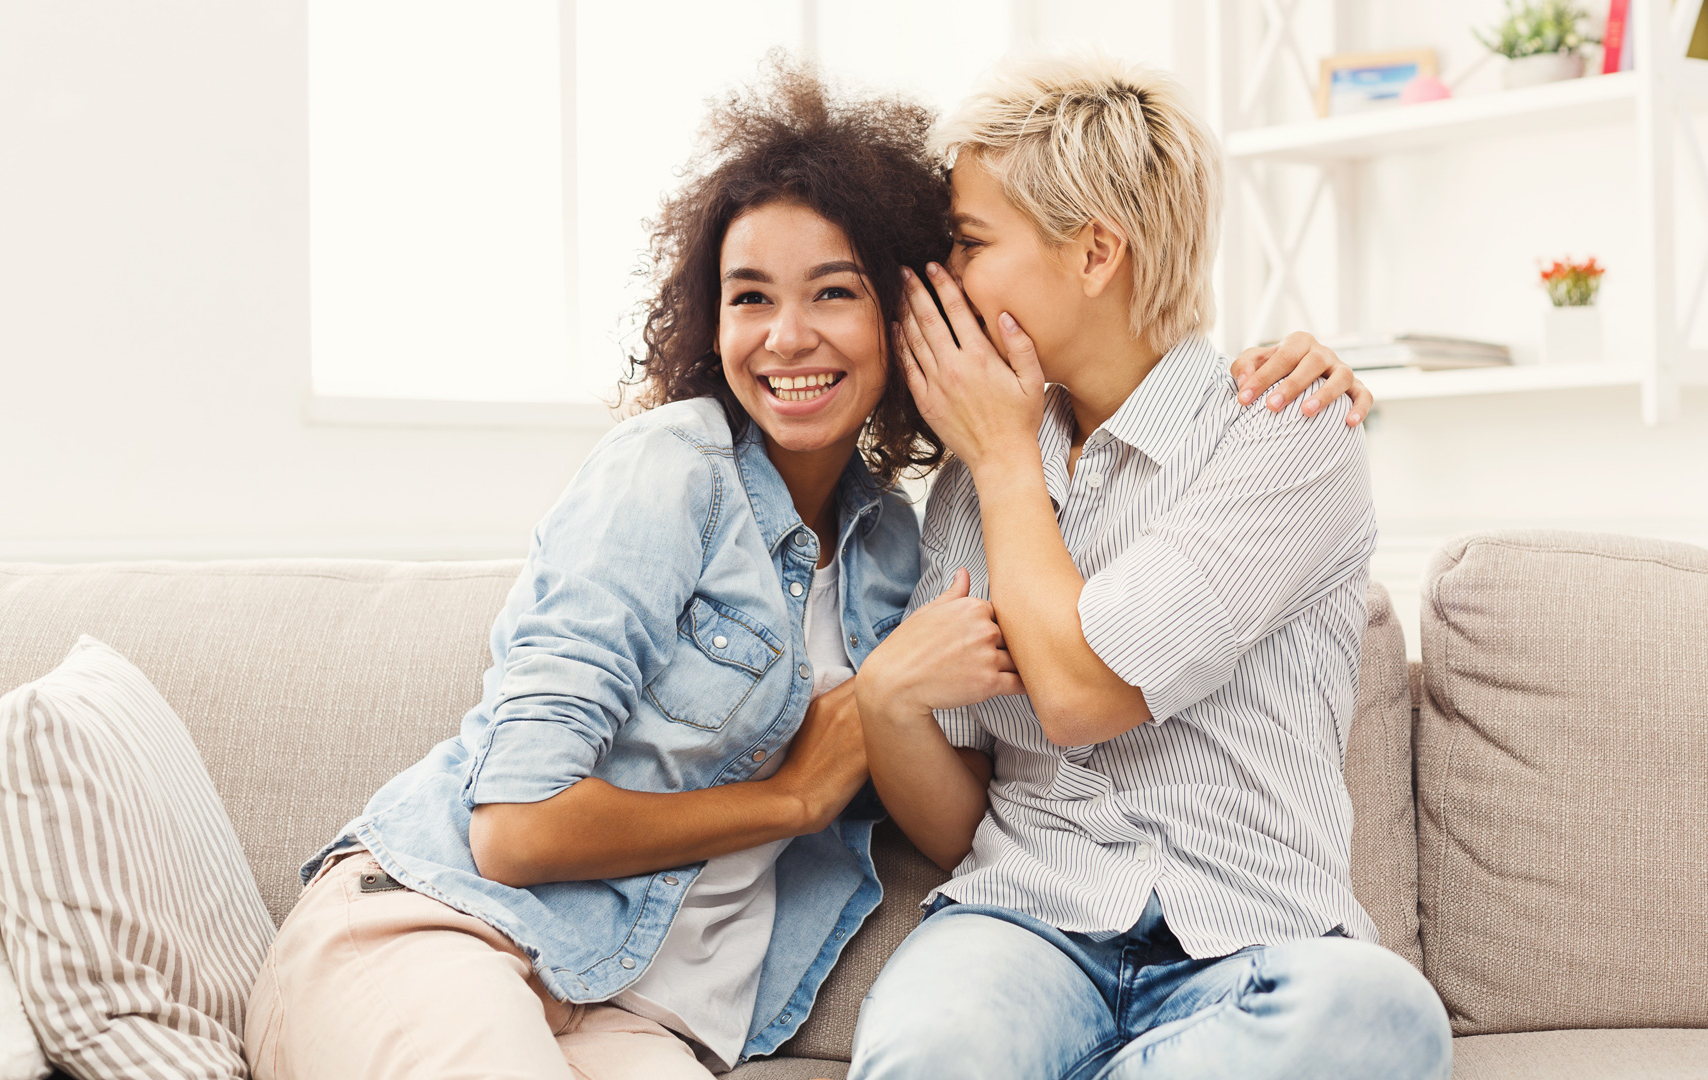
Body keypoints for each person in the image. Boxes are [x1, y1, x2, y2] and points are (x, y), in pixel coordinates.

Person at [242, 59, 1369, 1080]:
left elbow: (1035, 726)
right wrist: (815, 768)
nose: (791, 336)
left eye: (840, 291)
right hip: (450, 923)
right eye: (750, 298)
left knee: (1375, 1020)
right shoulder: (680, 468)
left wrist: (990, 483)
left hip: (643, 1006)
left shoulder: (909, 527)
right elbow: (513, 830)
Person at [851, 55, 1453, 1080]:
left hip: (1256, 940)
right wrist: (885, 706)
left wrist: (1002, 459)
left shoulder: (1285, 434)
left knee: (1387, 1017)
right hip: (1026, 929)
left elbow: (1085, 694)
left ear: (1095, 253)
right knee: (929, 1050)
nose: (940, 280)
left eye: (968, 242)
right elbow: (965, 808)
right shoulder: (969, 475)